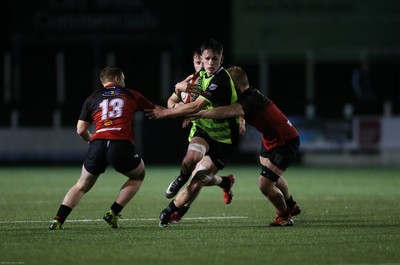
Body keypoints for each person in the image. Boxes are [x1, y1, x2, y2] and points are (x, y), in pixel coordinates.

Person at [188, 66, 301, 226]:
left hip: (285, 141)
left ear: (236, 85)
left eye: (227, 84)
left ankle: (285, 216)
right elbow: (238, 112)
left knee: (265, 183)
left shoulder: (250, 98)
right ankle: (291, 204)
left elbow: (227, 112)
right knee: (271, 176)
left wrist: (198, 113)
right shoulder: (247, 96)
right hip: (270, 138)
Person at [49, 66, 160, 230]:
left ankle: (58, 219)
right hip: (120, 143)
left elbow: (80, 129)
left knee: (81, 185)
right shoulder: (129, 94)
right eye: (122, 78)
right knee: (138, 176)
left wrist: (91, 141)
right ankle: (113, 212)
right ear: (116, 79)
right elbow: (156, 110)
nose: (124, 81)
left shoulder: (92, 98)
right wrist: (177, 109)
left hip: (98, 143)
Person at [146, 38, 239, 227]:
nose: (210, 63)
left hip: (223, 139)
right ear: (201, 60)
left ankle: (172, 210)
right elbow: (174, 100)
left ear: (221, 60)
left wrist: (167, 113)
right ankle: (182, 178)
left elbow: (196, 104)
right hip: (204, 129)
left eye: (215, 59)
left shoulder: (220, 79)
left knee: (199, 178)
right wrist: (178, 95)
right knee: (190, 160)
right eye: (207, 59)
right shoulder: (198, 77)